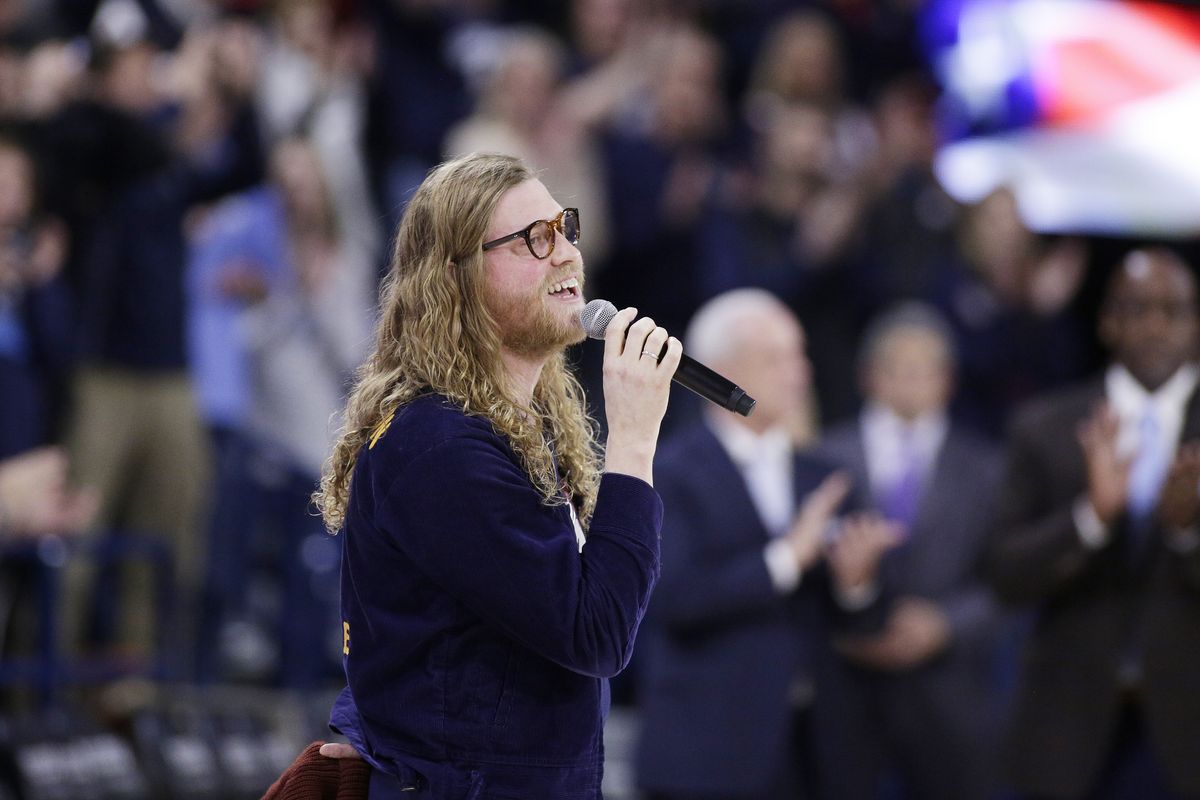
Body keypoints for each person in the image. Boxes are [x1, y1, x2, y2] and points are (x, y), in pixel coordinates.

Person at [311, 152, 682, 798]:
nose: (565, 253)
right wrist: (635, 438)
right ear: (456, 276)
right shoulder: (439, 445)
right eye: (533, 239)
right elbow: (594, 630)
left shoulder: (515, 421)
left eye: (563, 228)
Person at [634, 288, 900, 800]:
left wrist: (857, 582)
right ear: (720, 369)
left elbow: (863, 620)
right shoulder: (668, 470)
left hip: (819, 751)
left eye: (799, 354)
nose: (799, 371)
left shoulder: (824, 474)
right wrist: (786, 559)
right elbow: (668, 598)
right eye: (775, 357)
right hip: (708, 753)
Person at [986, 247, 1200, 799]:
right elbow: (1003, 575)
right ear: (1106, 321)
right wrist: (1091, 519)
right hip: (1068, 729)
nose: (1154, 325)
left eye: (1172, 310)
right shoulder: (1046, 428)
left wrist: (1184, 532)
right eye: (1136, 308)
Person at [819, 303, 1006, 800]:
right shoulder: (820, 458)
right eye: (895, 367)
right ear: (867, 376)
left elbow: (1007, 577)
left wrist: (945, 624)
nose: (909, 381)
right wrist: (851, 621)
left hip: (952, 698)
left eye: (924, 369)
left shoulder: (988, 468)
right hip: (847, 695)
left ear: (948, 379)